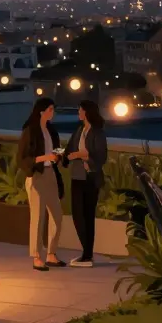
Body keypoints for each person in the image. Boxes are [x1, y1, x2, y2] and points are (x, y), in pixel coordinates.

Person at [17, 97, 66, 271]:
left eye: (53, 109)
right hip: (36, 175)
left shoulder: (51, 130)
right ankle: (37, 256)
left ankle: (51, 253)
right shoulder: (30, 131)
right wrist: (45, 157)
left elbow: (56, 150)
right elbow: (22, 159)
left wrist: (58, 156)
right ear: (41, 111)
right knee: (38, 218)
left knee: (57, 215)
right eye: (50, 109)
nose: (53, 113)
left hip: (50, 173)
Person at [63, 100, 107, 267]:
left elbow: (101, 157)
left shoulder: (98, 132)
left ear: (87, 112)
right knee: (78, 215)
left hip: (90, 178)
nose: (79, 112)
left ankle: (87, 255)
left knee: (88, 216)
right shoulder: (79, 130)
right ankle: (86, 253)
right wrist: (66, 157)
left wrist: (83, 155)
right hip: (77, 177)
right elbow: (69, 149)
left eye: (80, 110)